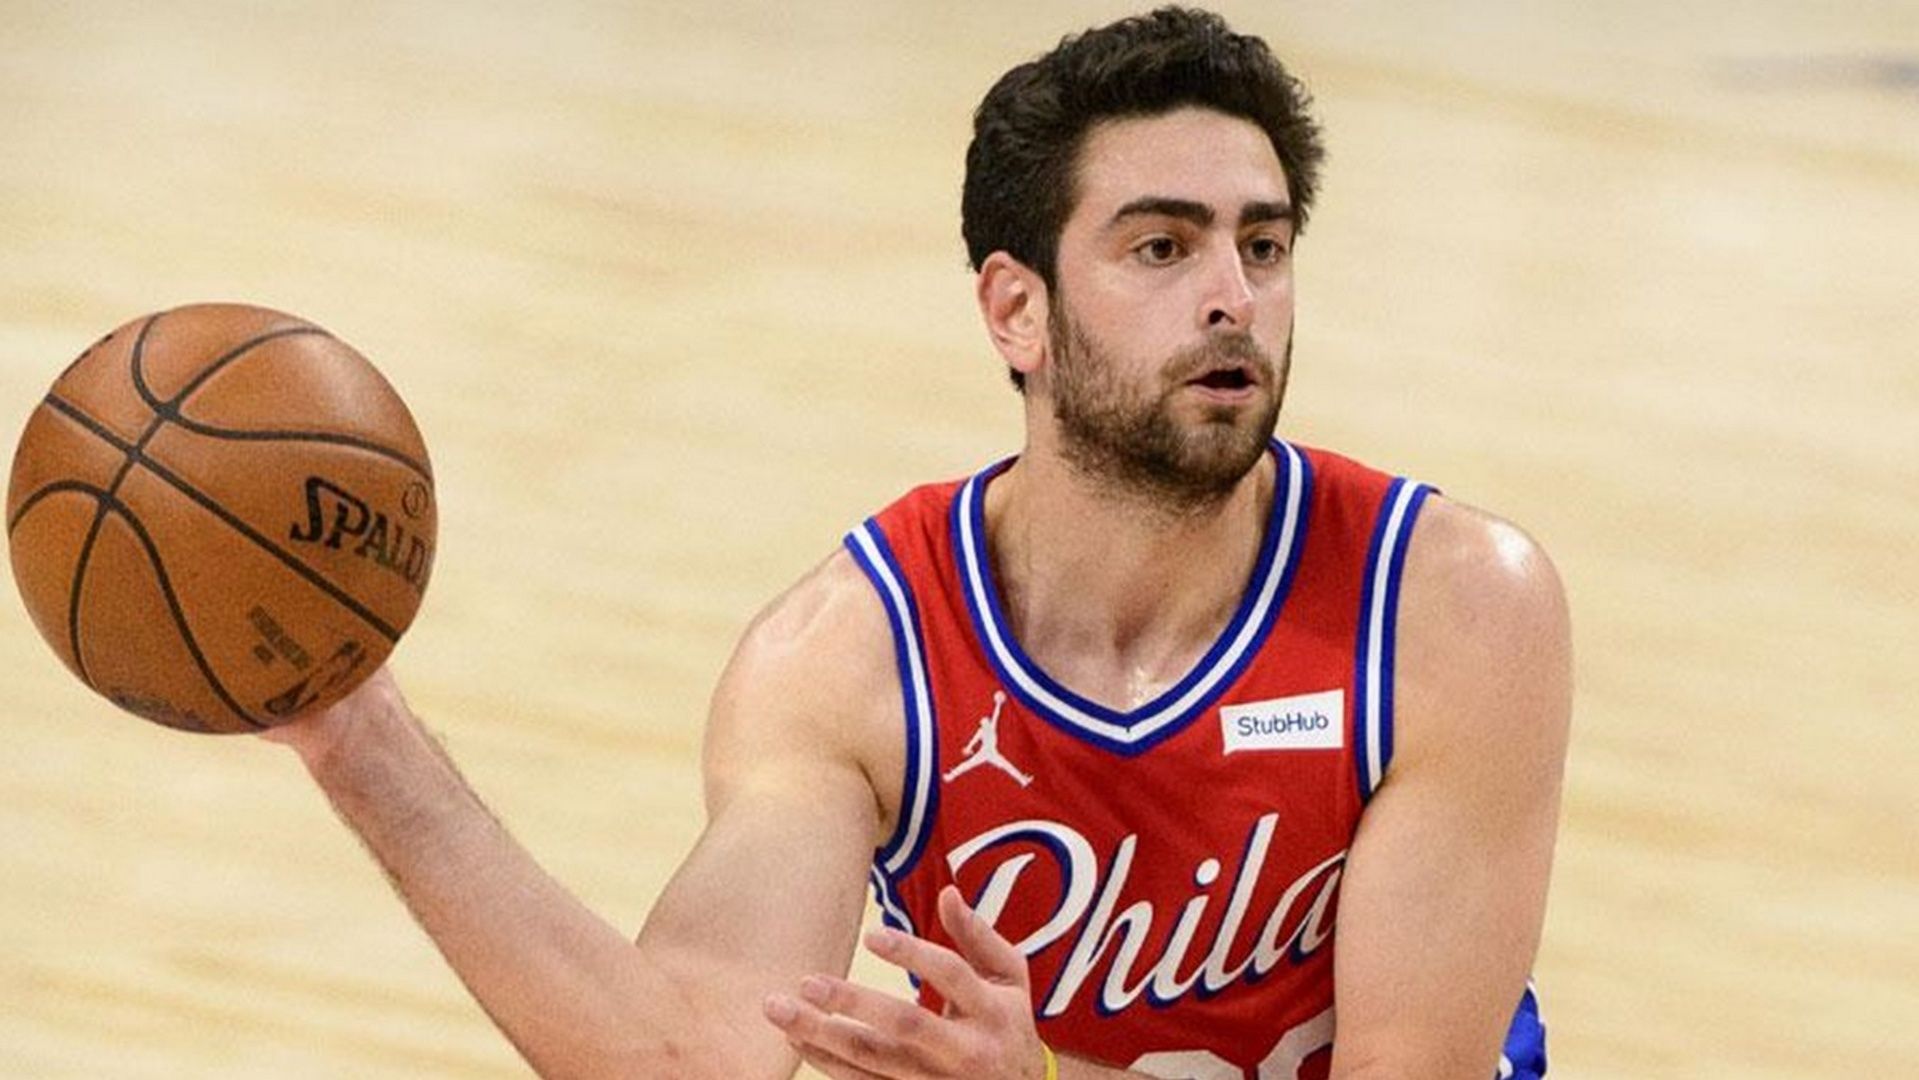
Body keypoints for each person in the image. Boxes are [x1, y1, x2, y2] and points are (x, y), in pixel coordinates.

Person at [271, 7, 1570, 1078]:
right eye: (1162, 246)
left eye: (1265, 245)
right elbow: (683, 1058)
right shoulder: (847, 660)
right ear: (1017, 310)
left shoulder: (1449, 607)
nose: (1234, 295)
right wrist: (353, 730)